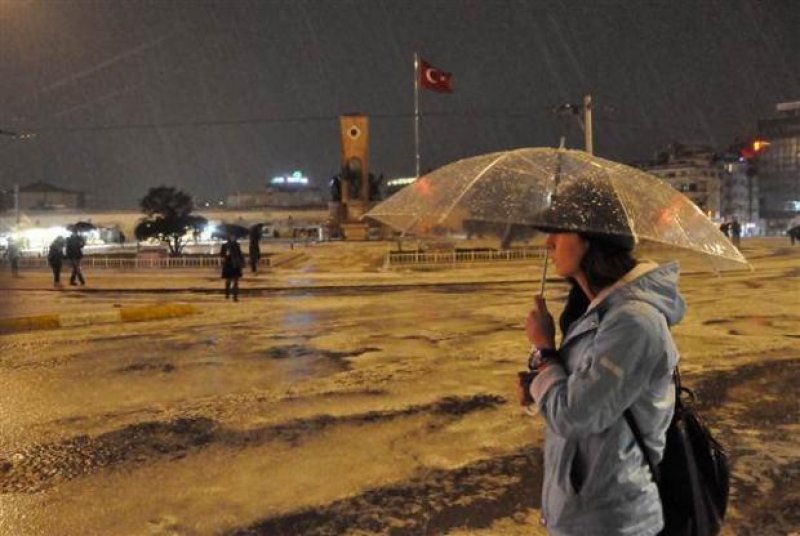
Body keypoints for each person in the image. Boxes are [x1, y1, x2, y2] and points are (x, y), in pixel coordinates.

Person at [520, 217, 685, 533]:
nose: (548, 243)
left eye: (559, 231)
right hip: (585, 512)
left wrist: (544, 351)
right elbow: (581, 391)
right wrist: (537, 386)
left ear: (589, 239)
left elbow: (575, 415)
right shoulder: (596, 314)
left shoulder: (634, 322)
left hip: (613, 518)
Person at [220, 234, 244, 301]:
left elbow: (240, 254)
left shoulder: (237, 245)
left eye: (234, 237)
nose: (233, 238)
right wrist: (226, 255)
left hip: (236, 265)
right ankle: (227, 293)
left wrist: (242, 263)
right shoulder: (225, 245)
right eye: (232, 237)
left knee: (236, 281)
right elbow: (222, 255)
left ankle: (235, 297)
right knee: (228, 281)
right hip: (228, 265)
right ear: (229, 237)